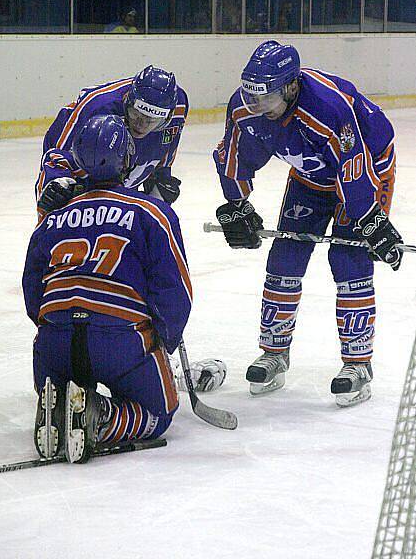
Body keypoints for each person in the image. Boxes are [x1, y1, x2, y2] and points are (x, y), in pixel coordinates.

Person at [23, 116, 223, 463]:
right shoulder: (151, 212)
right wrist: (163, 339)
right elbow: (175, 290)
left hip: (54, 345)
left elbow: (31, 289)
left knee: (62, 350)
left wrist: (52, 329)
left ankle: (56, 405)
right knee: (158, 413)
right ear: (127, 158)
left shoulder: (52, 219)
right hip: (119, 342)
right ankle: (99, 416)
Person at [213, 40, 403, 407]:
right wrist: (236, 204)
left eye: (265, 97)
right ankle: (274, 354)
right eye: (252, 96)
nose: (256, 106)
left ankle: (358, 364)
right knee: (285, 256)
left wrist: (372, 220)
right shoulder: (246, 108)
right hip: (311, 176)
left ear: (290, 86)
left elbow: (355, 166)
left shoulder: (329, 107)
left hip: (368, 170)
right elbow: (234, 155)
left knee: (348, 261)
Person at [37, 65, 188, 215]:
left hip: (123, 169)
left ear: (167, 118)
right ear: (128, 101)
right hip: (83, 160)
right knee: (56, 200)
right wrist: (57, 181)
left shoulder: (179, 106)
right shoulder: (97, 106)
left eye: (151, 121)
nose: (141, 125)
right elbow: (57, 158)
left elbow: (164, 150)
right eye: (136, 114)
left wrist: (160, 181)